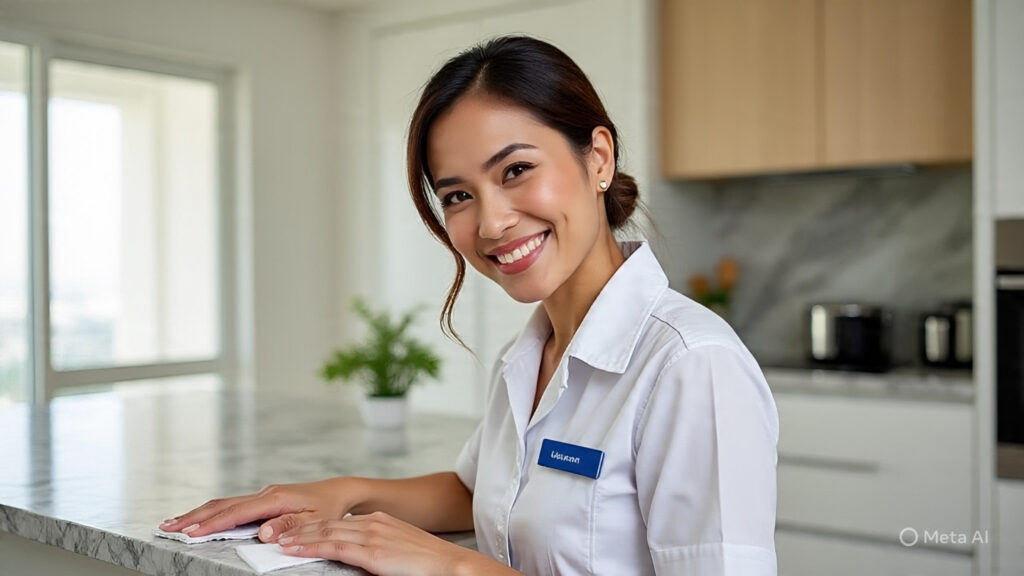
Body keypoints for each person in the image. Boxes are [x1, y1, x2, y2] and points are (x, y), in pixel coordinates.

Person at [159, 35, 779, 576]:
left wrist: (453, 564)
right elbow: (486, 491)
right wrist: (343, 494)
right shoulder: (526, 354)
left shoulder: (692, 366)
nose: (491, 222)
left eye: (515, 170)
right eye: (458, 195)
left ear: (598, 157)